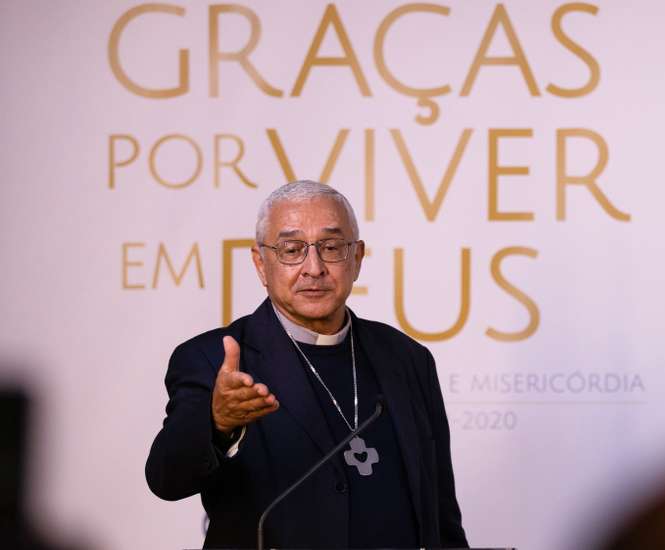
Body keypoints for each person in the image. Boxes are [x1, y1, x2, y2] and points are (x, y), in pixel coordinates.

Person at [146, 180, 468, 549]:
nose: (313, 268)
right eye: (291, 250)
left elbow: (441, 513)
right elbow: (166, 480)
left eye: (331, 247)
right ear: (260, 263)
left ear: (357, 258)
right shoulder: (212, 359)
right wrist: (217, 425)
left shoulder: (408, 359)